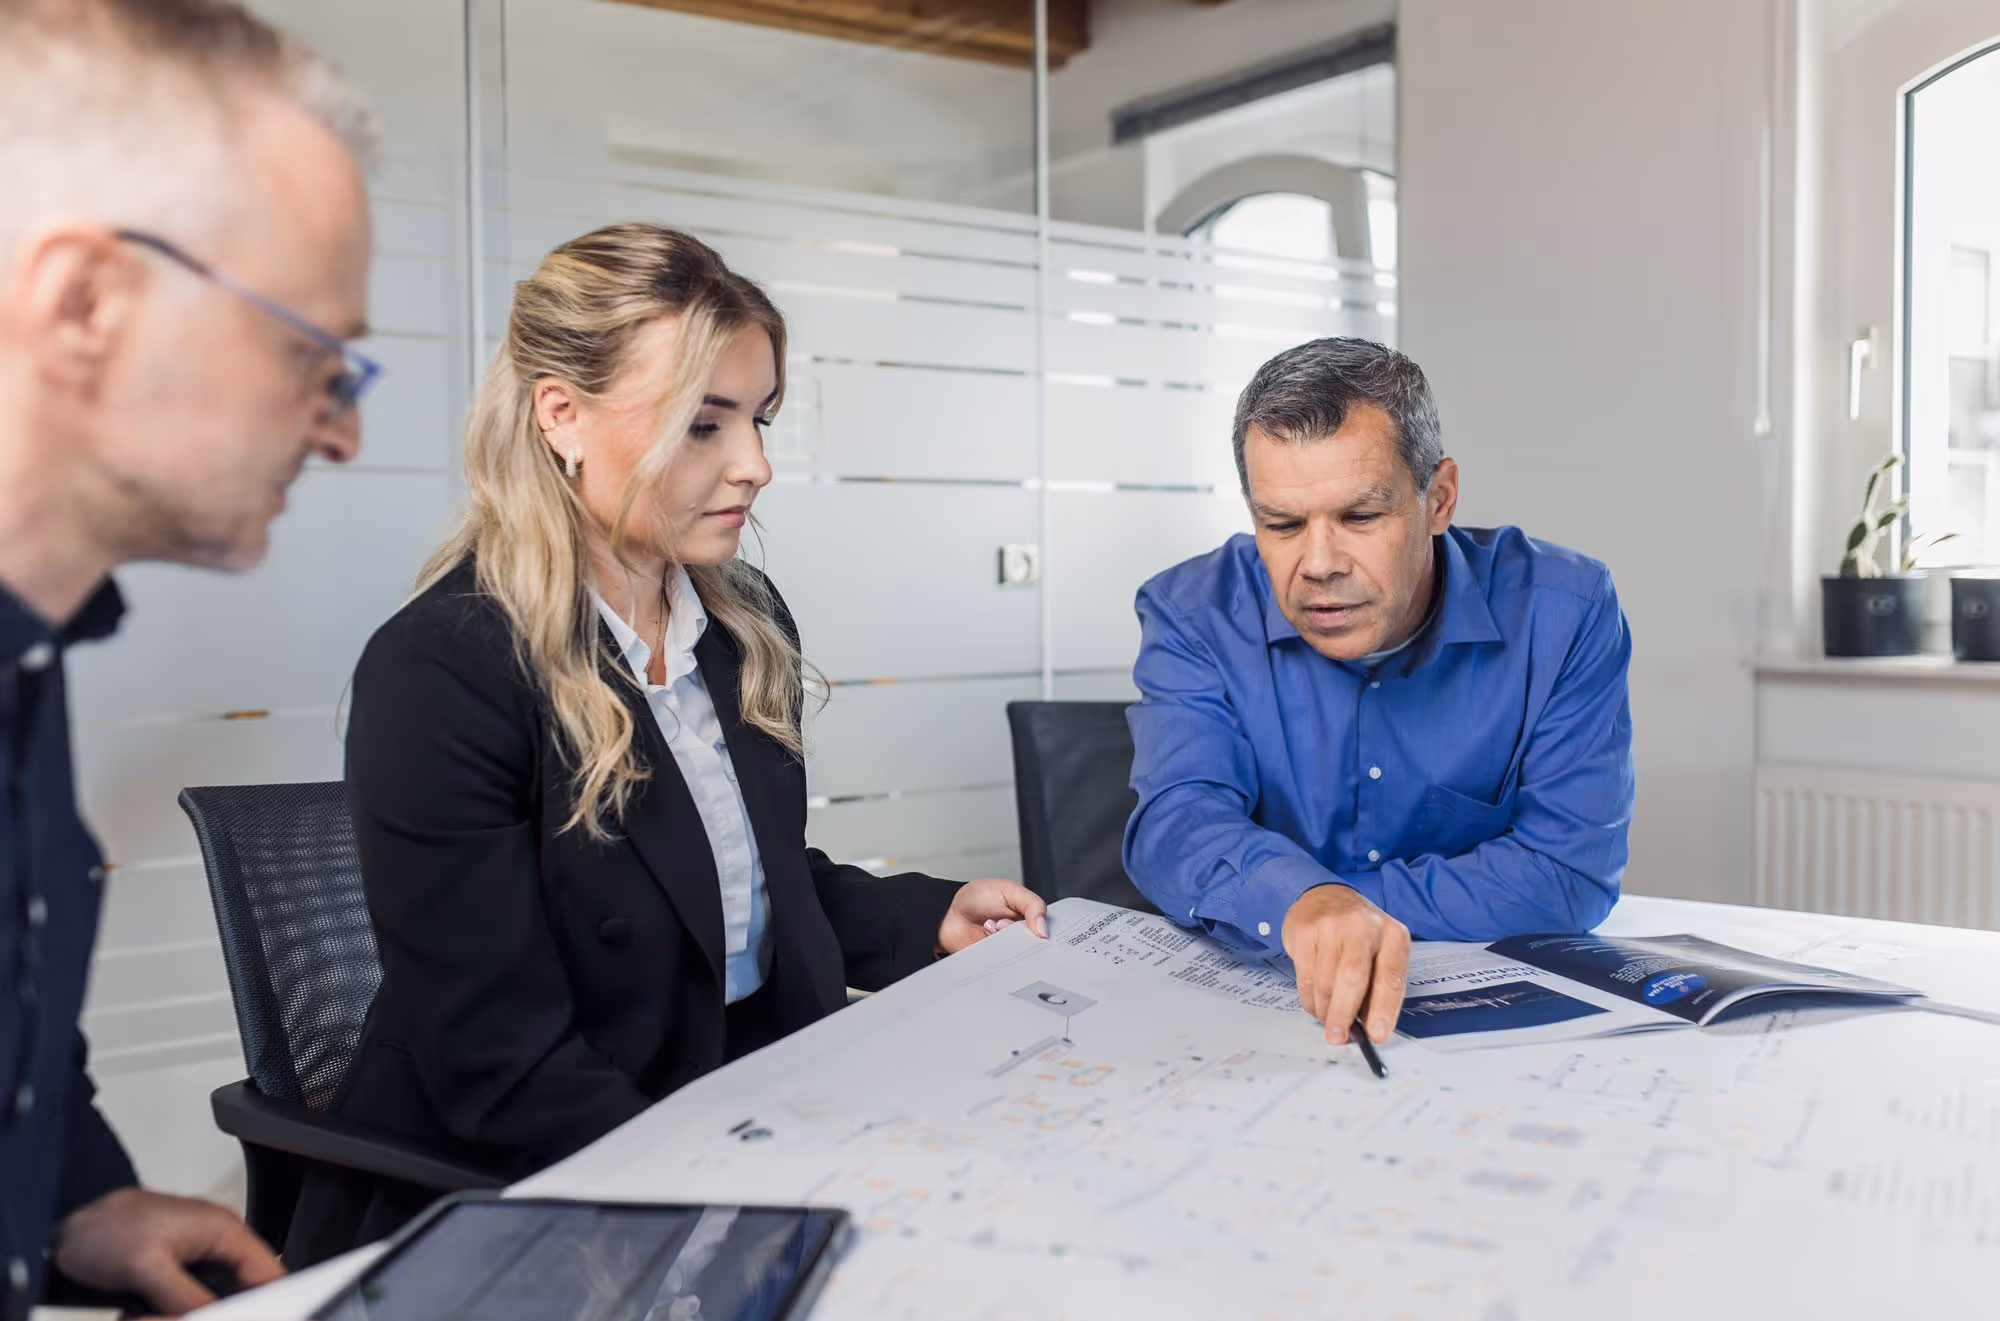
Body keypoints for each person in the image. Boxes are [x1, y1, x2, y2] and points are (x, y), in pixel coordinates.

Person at [286, 222, 1049, 1264]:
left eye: (759, 419)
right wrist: (743, 1179)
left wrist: (928, 916)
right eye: (703, 425)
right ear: (561, 414)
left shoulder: (737, 622)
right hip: (529, 1179)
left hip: (727, 1099)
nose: (756, 466)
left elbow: (735, 893)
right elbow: (499, 1064)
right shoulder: (442, 669)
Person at [0, 0, 376, 1321]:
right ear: (86, 302)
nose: (340, 434)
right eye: (308, 353)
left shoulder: (28, 657)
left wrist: (73, 1205)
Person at [1123, 337, 1634, 1047]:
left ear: (1439, 498)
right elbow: (1176, 821)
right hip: (1263, 1024)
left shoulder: (1563, 611)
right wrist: (1306, 901)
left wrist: (1306, 900)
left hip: (1485, 1037)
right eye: (1283, 524)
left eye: (1360, 517)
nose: (1320, 565)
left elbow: (1566, 872)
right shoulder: (1192, 613)